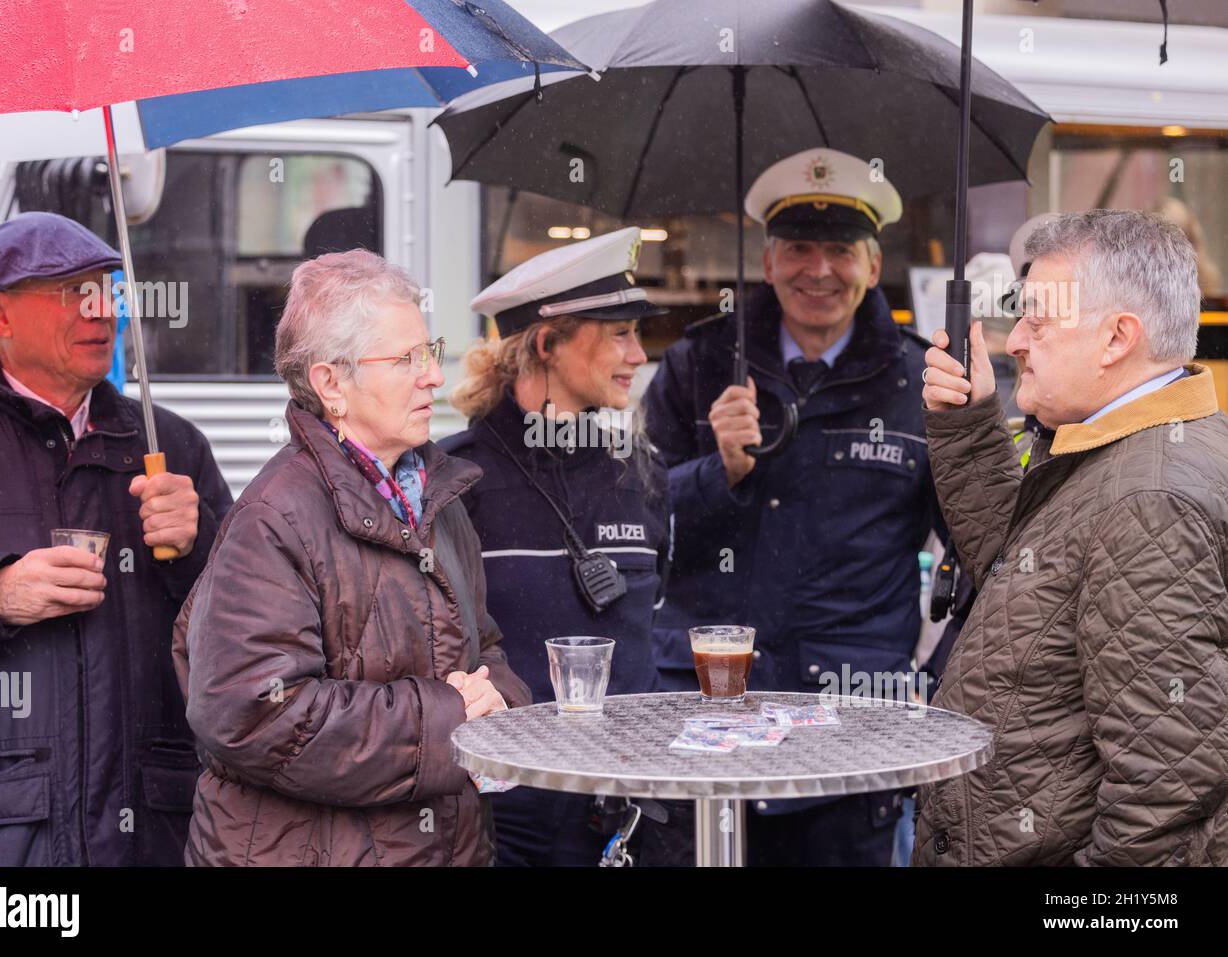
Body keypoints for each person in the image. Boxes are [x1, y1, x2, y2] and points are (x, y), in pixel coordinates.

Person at [172, 248, 531, 866]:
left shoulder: (437, 499)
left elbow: (483, 648)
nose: (434, 377)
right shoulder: (274, 519)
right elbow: (252, 715)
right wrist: (450, 721)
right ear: (330, 384)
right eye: (406, 359)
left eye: (431, 351)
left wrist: (499, 701)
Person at [640, 149, 945, 866]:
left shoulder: (918, 379)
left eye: (840, 250)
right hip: (707, 724)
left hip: (850, 738)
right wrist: (718, 472)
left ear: (872, 265)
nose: (819, 270)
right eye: (799, 250)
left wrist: (934, 687)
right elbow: (639, 533)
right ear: (769, 262)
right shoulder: (699, 364)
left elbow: (976, 547)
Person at [915, 209, 1228, 866]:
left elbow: (1167, 784)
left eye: (1037, 318)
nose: (1016, 341)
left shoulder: (1148, 497)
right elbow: (1023, 589)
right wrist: (971, 426)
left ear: (1116, 338)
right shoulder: (1109, 446)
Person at [0, 211, 233, 865]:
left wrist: (199, 546)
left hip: (150, 834)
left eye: (108, 293)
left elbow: (246, 638)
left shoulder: (169, 445)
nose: (101, 314)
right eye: (74, 295)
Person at [441, 227, 672, 866]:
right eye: (619, 333)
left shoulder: (639, 472)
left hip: (631, 805)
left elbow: (652, 626)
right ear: (547, 343)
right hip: (508, 820)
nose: (639, 354)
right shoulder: (457, 481)